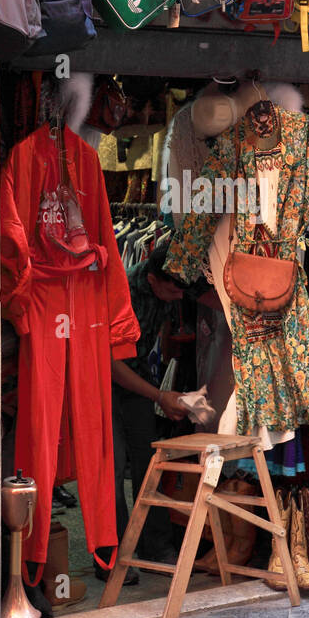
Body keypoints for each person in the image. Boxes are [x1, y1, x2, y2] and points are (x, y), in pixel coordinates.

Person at [102, 239, 189, 581]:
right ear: (153, 280)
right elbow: (111, 365)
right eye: (173, 290)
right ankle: (112, 556)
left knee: (149, 463)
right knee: (110, 469)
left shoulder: (168, 288)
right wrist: (159, 395)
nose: (180, 296)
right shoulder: (122, 294)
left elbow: (163, 332)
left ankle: (155, 546)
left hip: (138, 381)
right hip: (106, 384)